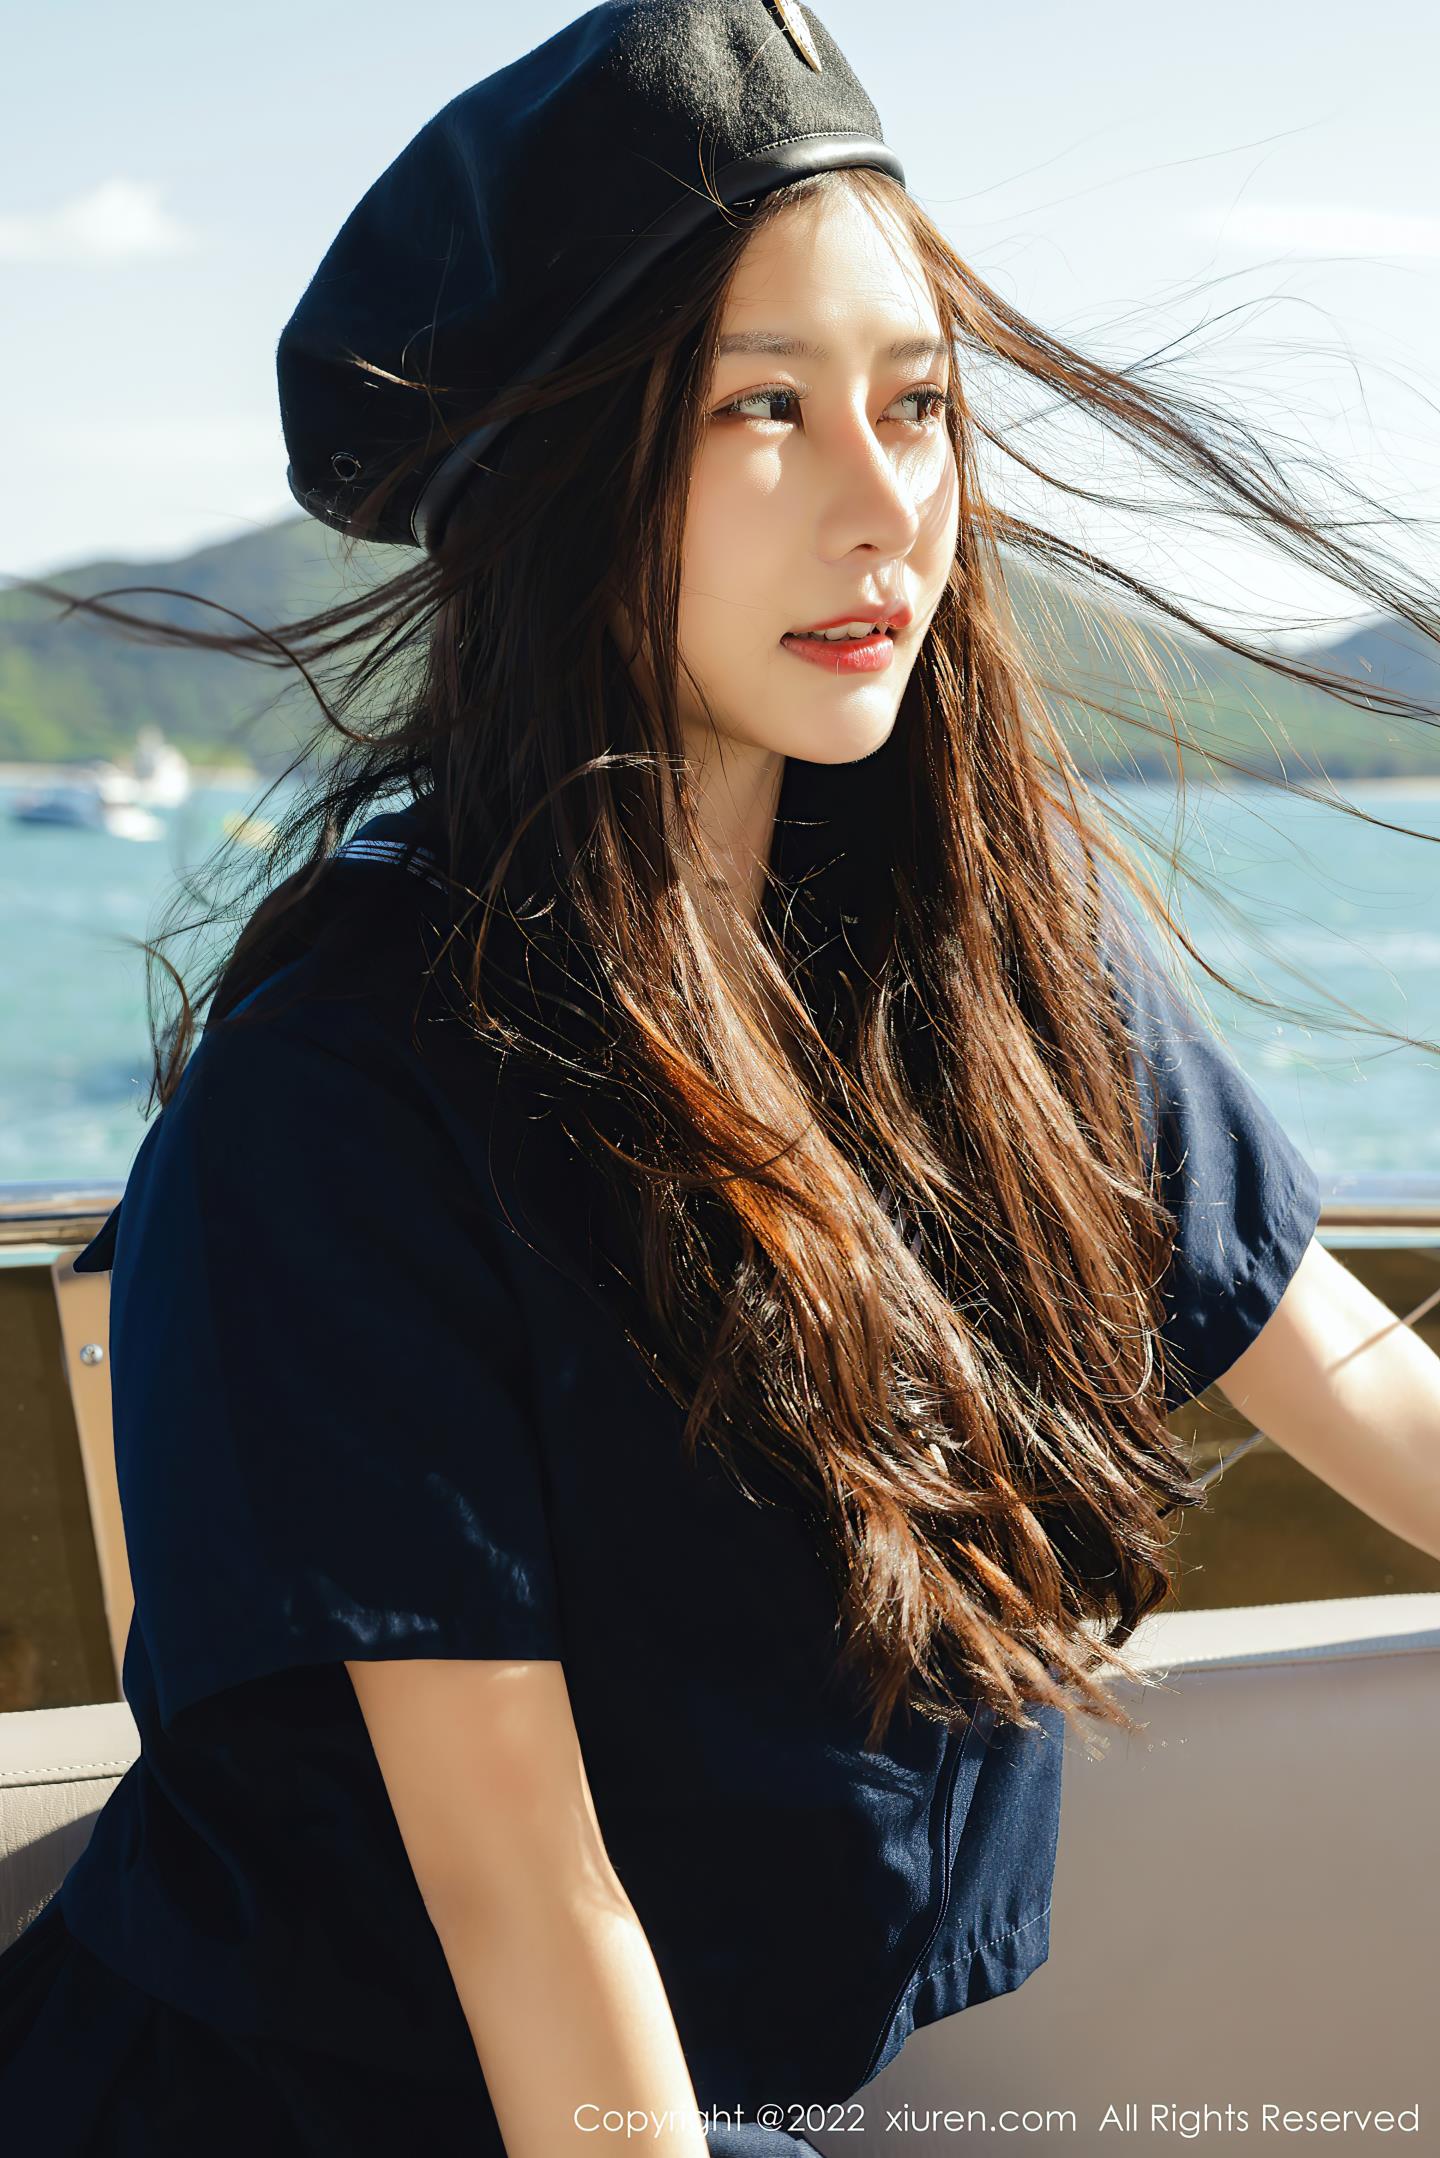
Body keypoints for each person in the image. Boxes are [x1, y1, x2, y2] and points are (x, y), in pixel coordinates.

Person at [4, 3, 1440, 2153]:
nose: (887, 503)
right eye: (764, 406)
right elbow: (528, 1896)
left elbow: (1383, 1399)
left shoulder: (996, 978)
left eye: (917, 401)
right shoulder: (354, 1091)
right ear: (561, 487)